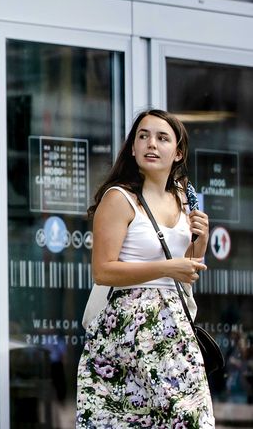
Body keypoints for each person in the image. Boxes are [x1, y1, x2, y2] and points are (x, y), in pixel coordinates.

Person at [76, 109, 214, 427]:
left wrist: (200, 242)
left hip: (173, 334)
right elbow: (103, 271)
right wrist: (167, 268)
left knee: (191, 419)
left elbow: (188, 269)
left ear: (178, 152)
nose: (151, 144)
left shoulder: (183, 199)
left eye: (162, 138)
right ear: (133, 149)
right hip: (124, 332)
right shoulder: (119, 198)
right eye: (143, 136)